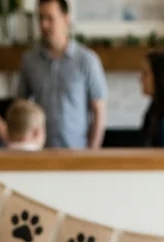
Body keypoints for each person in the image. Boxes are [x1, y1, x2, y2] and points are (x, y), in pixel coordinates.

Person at [18, 0, 107, 149]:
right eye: (40, 18)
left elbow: (99, 111)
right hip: (38, 154)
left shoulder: (87, 60)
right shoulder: (29, 61)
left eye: (50, 18)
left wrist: (92, 154)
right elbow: (20, 106)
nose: (43, 25)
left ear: (66, 19)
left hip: (77, 154)